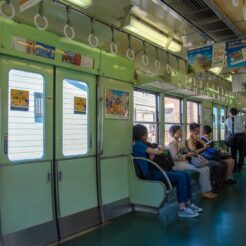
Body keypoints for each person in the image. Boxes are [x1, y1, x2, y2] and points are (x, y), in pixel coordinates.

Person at [132, 124, 202, 218]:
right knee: (181, 177)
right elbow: (158, 151)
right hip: (150, 173)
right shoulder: (137, 144)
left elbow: (154, 153)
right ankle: (182, 208)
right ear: (142, 134)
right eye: (145, 133)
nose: (146, 135)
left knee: (186, 175)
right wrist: (160, 149)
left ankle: (188, 202)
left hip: (154, 170)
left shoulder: (140, 144)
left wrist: (156, 151)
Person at [168, 125, 217, 199]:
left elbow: (188, 152)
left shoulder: (180, 142)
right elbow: (174, 157)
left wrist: (195, 155)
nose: (181, 132)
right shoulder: (172, 143)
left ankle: (208, 191)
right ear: (174, 132)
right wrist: (186, 155)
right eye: (179, 131)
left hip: (185, 163)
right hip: (179, 165)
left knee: (206, 168)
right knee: (203, 170)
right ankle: (204, 192)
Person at [187, 123, 226, 188]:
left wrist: (198, 139)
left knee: (223, 163)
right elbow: (194, 152)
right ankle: (216, 182)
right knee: (219, 164)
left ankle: (218, 181)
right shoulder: (190, 141)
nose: (198, 132)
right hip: (197, 159)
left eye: (198, 131)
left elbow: (205, 144)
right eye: (196, 131)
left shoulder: (197, 139)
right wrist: (204, 148)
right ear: (191, 131)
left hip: (202, 157)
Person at [225, 108, 246, 172]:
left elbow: (229, 128)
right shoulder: (241, 118)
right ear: (237, 113)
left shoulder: (227, 120)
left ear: (230, 113)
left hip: (234, 137)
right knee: (241, 153)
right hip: (242, 137)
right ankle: (240, 167)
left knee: (233, 153)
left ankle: (234, 167)